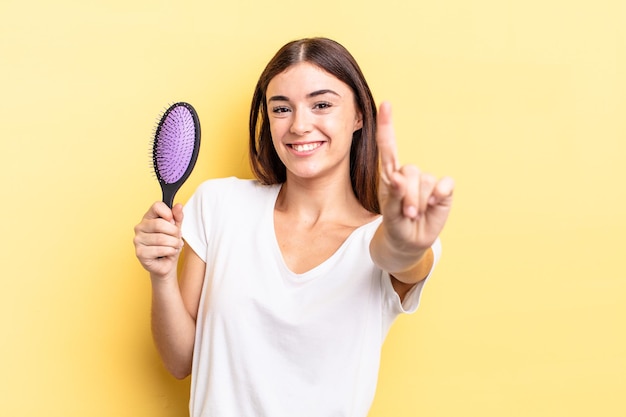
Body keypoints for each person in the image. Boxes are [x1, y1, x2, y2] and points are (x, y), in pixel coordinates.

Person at [134, 37, 454, 417]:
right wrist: (162, 275)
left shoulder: (386, 238)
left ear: (358, 116)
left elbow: (396, 255)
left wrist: (403, 242)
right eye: (281, 108)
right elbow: (180, 360)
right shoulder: (220, 205)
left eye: (321, 104)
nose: (300, 125)